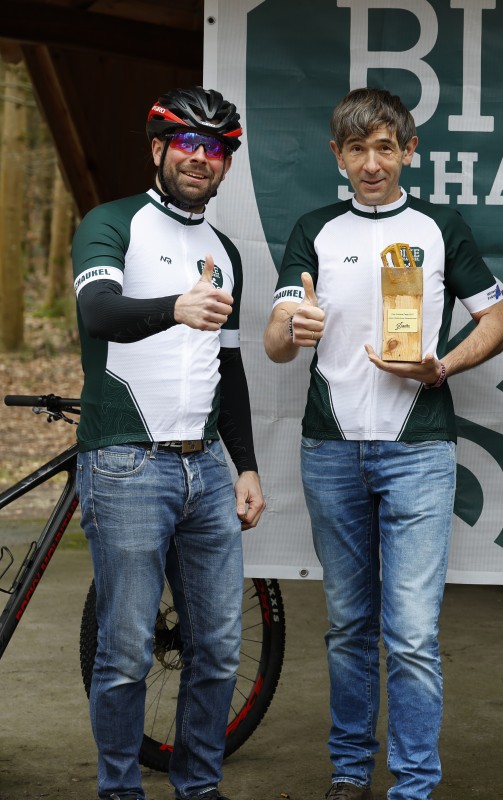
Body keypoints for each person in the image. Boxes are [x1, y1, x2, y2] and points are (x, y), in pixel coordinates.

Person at [263, 87, 503, 800]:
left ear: (409, 151)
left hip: (419, 450)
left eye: (384, 148)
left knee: (410, 634)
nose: (371, 164)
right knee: (348, 625)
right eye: (356, 149)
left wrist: (445, 365)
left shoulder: (439, 226)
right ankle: (349, 771)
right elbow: (277, 343)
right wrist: (293, 326)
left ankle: (413, 784)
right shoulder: (314, 229)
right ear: (337, 156)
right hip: (331, 450)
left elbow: (496, 320)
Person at [72, 87, 265, 800]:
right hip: (125, 461)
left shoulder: (225, 253)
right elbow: (98, 312)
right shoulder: (111, 222)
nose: (199, 158)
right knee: (125, 654)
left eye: (215, 149)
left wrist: (246, 466)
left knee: (217, 649)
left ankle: (199, 787)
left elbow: (229, 367)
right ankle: (120, 791)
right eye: (187, 143)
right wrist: (175, 308)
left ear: (225, 166)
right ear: (158, 149)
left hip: (206, 468)